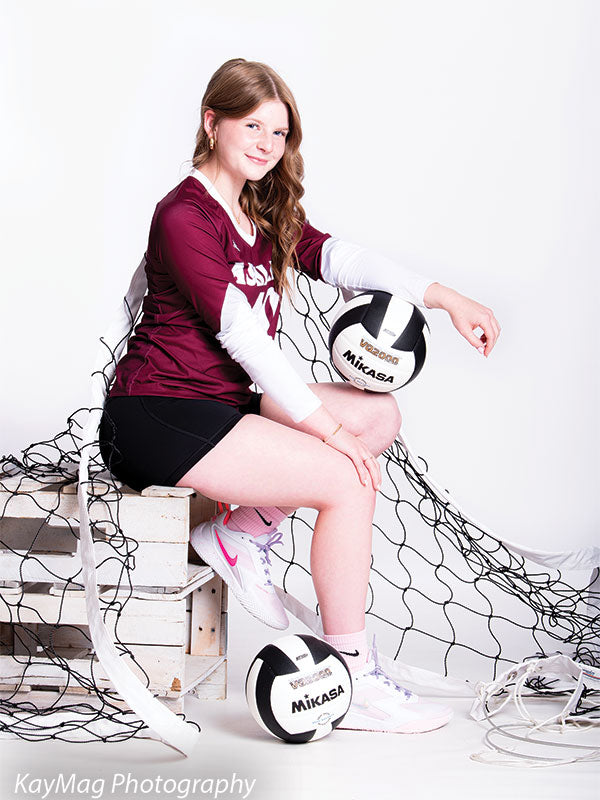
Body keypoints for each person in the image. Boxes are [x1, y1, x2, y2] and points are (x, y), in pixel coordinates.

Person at [99, 57, 500, 734]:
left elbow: (343, 259)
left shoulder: (260, 207)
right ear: (212, 122)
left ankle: (243, 532)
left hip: (219, 404)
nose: (265, 142)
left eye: (279, 132)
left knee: (377, 416)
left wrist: (445, 298)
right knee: (346, 477)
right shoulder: (184, 216)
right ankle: (354, 673)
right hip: (157, 414)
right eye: (251, 124)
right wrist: (328, 435)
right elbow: (245, 339)